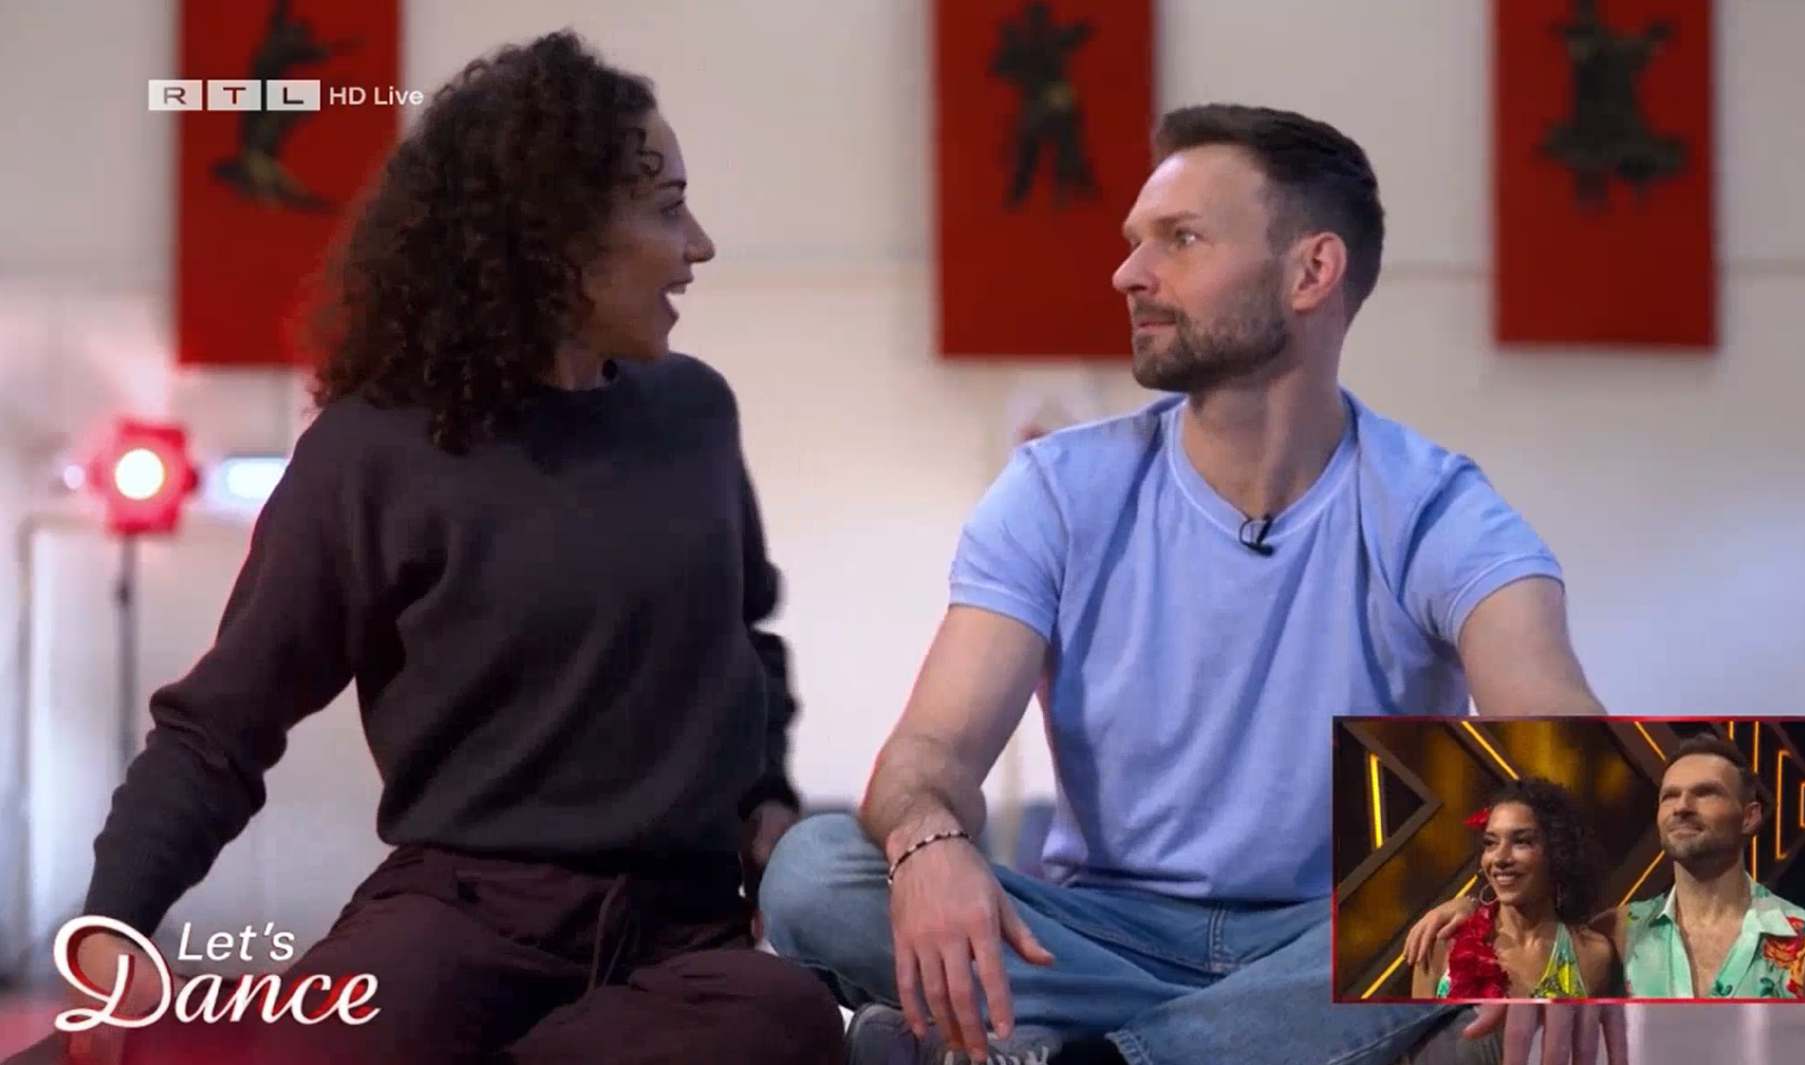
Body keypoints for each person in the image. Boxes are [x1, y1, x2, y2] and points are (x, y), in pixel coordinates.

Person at [28, 31, 843, 1065]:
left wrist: (765, 797)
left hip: (679, 940)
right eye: (666, 207)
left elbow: (745, 639)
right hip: (456, 925)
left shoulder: (694, 413)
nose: (700, 246)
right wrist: (114, 922)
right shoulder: (373, 450)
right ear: (556, 237)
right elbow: (219, 727)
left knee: (787, 1020)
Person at [759, 104, 1623, 1065]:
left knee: (1501, 917)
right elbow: (931, 751)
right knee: (812, 870)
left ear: (1311, 271)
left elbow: (1567, 740)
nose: (1128, 273)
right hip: (1096, 933)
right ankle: (1217, 1044)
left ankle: (1071, 1052)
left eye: (1180, 239)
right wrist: (929, 845)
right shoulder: (1058, 490)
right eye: (1136, 241)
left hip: (1334, 936)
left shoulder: (1436, 506)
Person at [1406, 732, 1805, 1000]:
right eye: (1669, 795)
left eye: (1705, 793)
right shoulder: (1619, 932)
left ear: (1750, 817)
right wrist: (1466, 907)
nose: (1682, 806)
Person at [1410, 778, 1620, 1000]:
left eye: (1521, 841)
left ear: (1558, 851)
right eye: (1491, 843)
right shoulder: (1441, 941)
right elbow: (1417, 1024)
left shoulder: (1593, 955)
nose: (1500, 858)